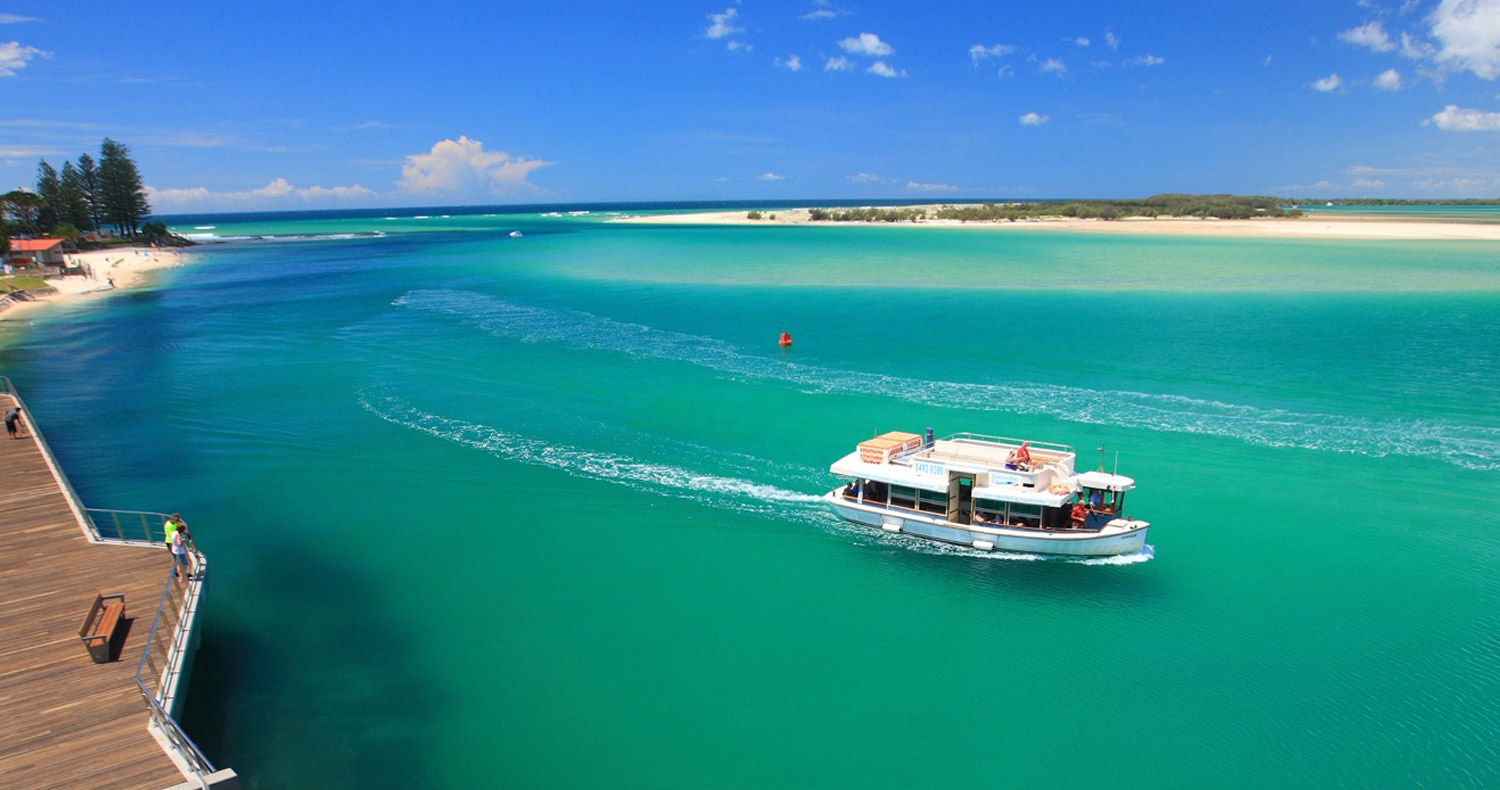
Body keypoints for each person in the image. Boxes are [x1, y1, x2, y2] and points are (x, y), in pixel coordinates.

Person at [165, 513, 190, 582]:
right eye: (178, 520)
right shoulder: (174, 527)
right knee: (179, 560)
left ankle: (177, 572)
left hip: (168, 541)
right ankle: (180, 574)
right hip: (172, 543)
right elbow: (178, 537)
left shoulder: (167, 523)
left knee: (174, 558)